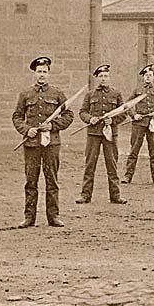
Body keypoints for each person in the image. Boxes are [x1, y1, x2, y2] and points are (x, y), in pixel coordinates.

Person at [12, 56, 74, 228]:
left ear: (49, 74)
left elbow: (69, 115)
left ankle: (53, 217)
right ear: (34, 73)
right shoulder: (25, 94)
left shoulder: (57, 94)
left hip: (51, 144)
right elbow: (17, 116)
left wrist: (53, 126)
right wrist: (26, 130)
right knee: (31, 181)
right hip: (32, 144)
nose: (42, 75)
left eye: (45, 72)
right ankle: (29, 217)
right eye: (39, 72)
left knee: (52, 180)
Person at [76, 64, 128, 205]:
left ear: (109, 78)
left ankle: (115, 196)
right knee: (90, 165)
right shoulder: (90, 94)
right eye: (101, 76)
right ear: (97, 78)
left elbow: (124, 113)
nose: (103, 79)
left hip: (110, 134)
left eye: (106, 76)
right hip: (93, 134)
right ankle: (85, 195)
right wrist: (90, 119)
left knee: (112, 164)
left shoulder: (116, 94)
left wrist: (113, 120)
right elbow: (82, 112)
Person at [123, 64, 154, 185]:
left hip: (152, 125)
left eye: (150, 75)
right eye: (145, 75)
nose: (148, 78)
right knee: (134, 150)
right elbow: (127, 105)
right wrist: (134, 115)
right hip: (138, 124)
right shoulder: (137, 90)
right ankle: (128, 176)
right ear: (143, 78)